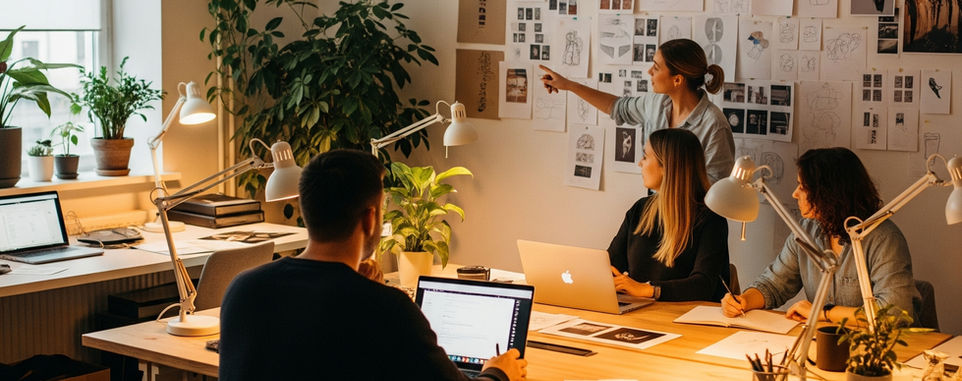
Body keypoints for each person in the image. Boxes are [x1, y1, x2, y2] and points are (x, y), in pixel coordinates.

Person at [219, 150, 527, 381]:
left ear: (306, 211)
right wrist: (498, 372)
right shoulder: (385, 308)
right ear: (370, 218)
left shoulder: (245, 288)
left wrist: (360, 286)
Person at [721, 148, 919, 324]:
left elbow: (893, 314)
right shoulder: (806, 231)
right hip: (824, 341)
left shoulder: (884, 239)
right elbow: (774, 284)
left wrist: (822, 313)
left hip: (884, 349)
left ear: (829, 194)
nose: (795, 194)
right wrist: (745, 300)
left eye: (803, 187)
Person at [540, 38, 734, 183]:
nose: (649, 72)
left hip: (693, 225)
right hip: (657, 212)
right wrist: (568, 85)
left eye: (656, 68)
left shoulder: (714, 126)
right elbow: (615, 107)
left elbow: (716, 190)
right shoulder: (655, 103)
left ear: (677, 79)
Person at [608, 128, 730, 301]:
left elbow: (703, 285)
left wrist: (649, 290)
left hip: (685, 320)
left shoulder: (711, 220)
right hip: (638, 313)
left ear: (666, 166)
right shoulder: (639, 210)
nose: (639, 163)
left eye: (645, 156)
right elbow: (611, 266)